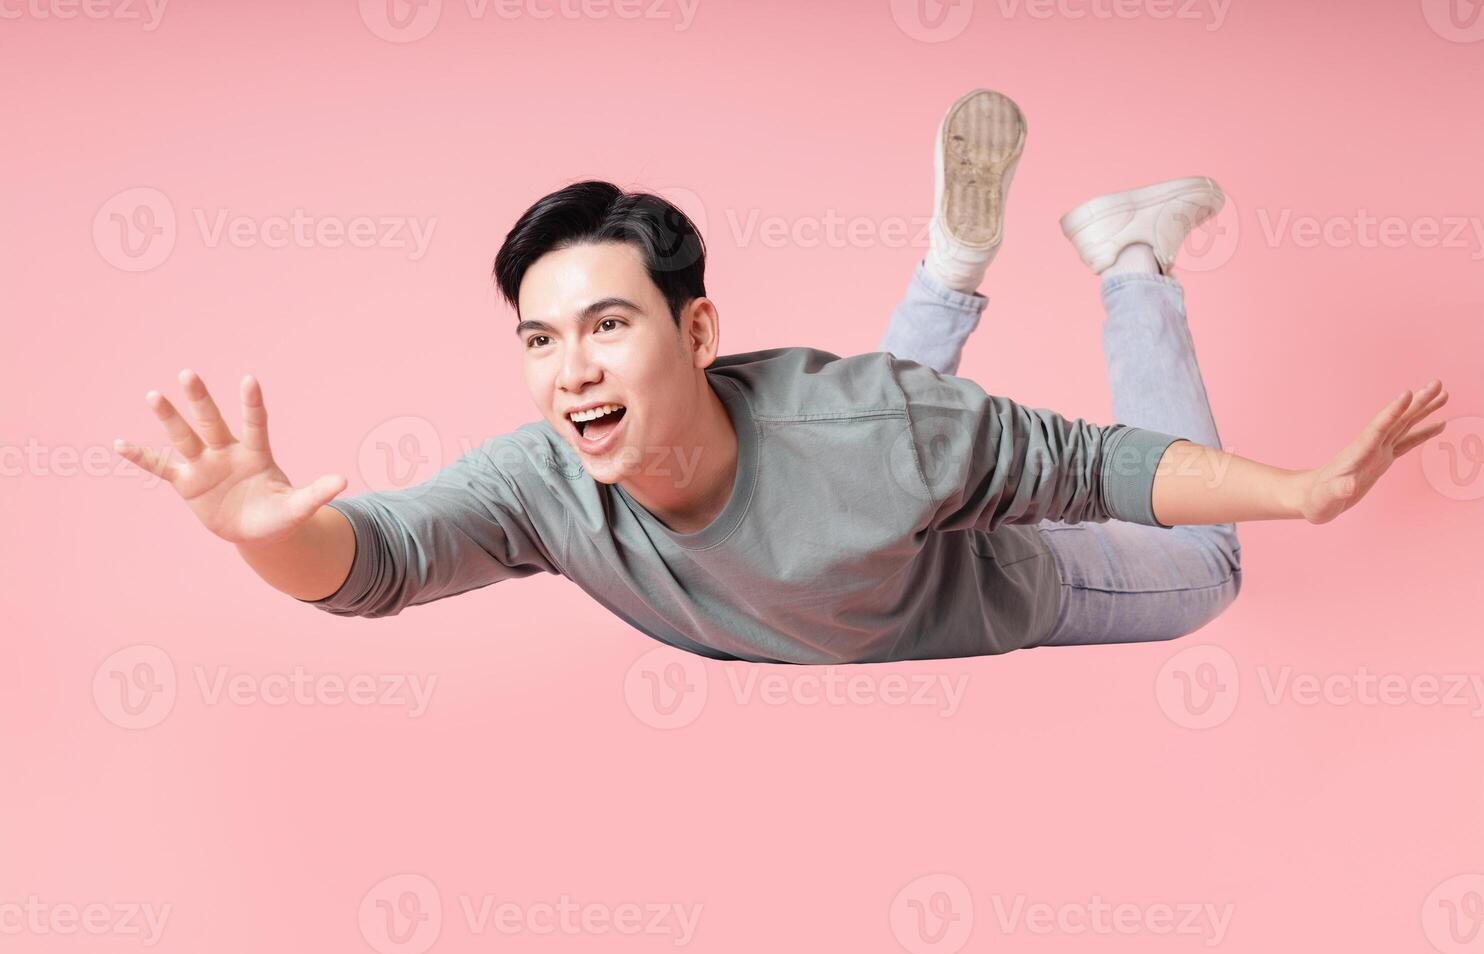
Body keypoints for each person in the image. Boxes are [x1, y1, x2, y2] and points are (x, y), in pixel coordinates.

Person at [112, 89, 1449, 666]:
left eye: (606, 326)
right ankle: (950, 269)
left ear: (697, 332)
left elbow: (1098, 466)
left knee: (1207, 574)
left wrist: (1302, 490)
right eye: (538, 339)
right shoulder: (544, 484)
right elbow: (380, 563)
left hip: (975, 581)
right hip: (873, 463)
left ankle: (1133, 256)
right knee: (891, 436)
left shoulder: (861, 430)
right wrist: (271, 545)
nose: (568, 370)